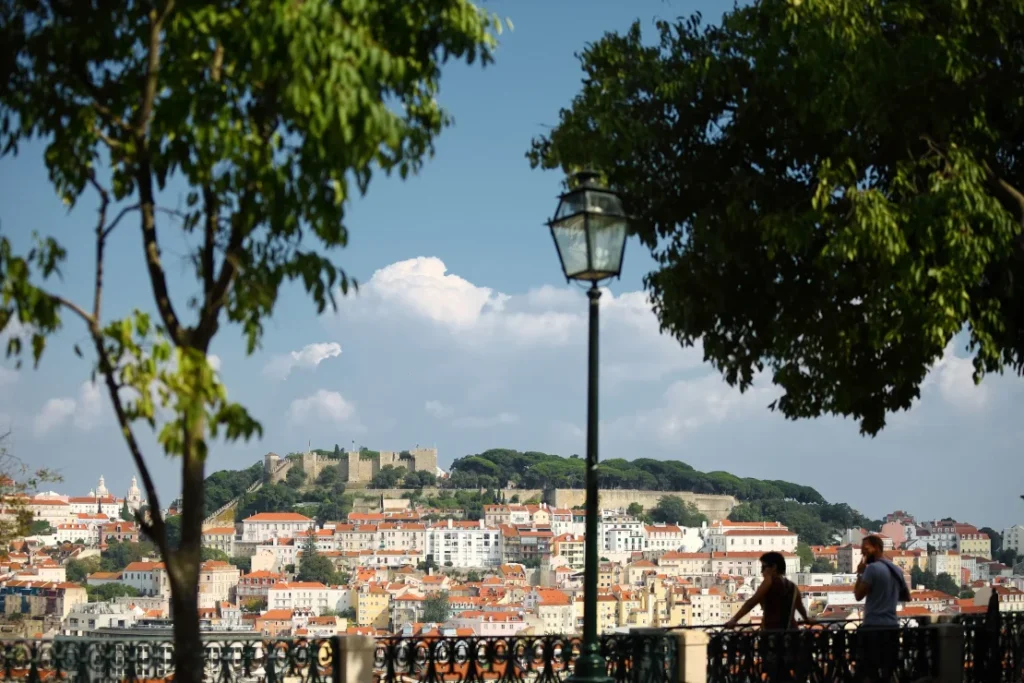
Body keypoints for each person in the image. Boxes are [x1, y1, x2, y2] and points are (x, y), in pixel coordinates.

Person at [854, 535, 907, 682]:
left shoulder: (871, 569)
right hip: (892, 626)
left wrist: (860, 573)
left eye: (865, 549)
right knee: (888, 672)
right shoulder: (897, 570)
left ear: (876, 548)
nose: (863, 553)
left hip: (874, 627)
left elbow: (858, 595)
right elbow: (904, 596)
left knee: (870, 671)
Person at [723, 551, 812, 629]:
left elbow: (751, 602)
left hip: (772, 633)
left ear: (773, 567)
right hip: (792, 632)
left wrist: (734, 619)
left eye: (763, 567)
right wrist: (807, 619)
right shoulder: (793, 586)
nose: (762, 572)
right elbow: (800, 608)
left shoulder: (769, 582)